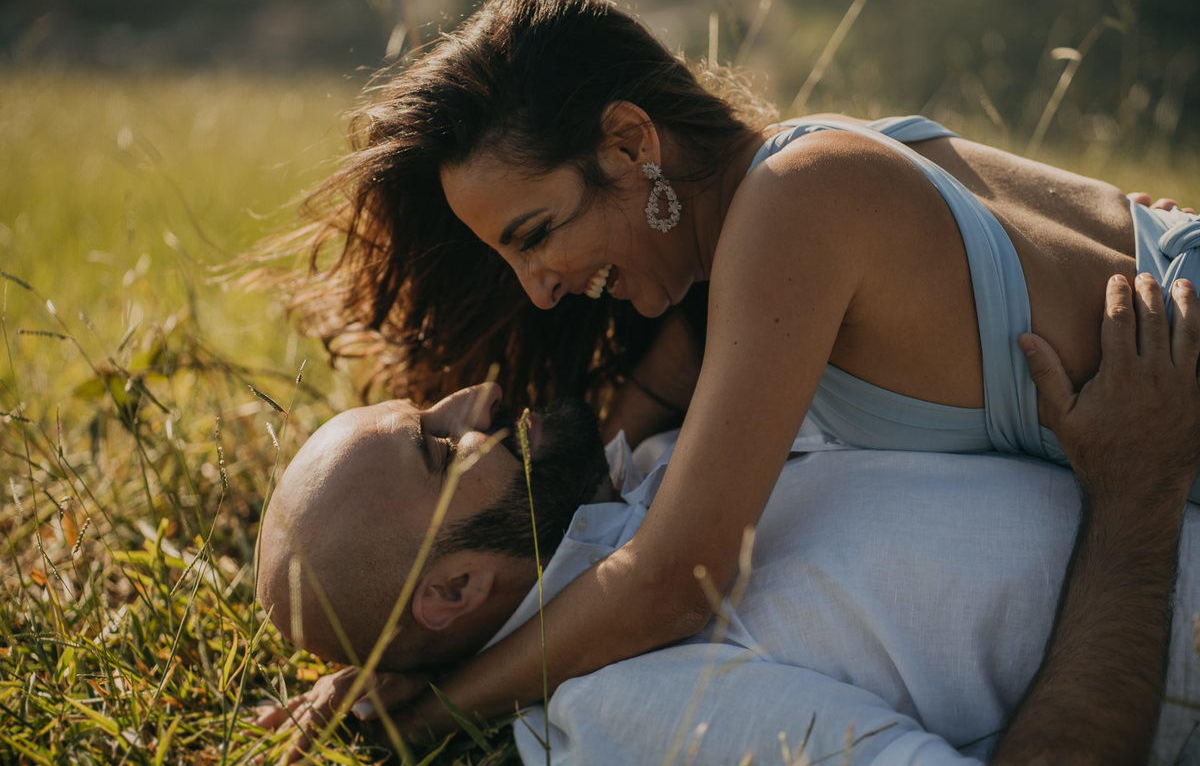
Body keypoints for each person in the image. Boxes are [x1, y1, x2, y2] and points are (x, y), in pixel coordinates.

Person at [275, 0, 1200, 744]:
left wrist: (445, 702)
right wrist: (408, 633)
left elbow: (678, 578)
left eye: (537, 235)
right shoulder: (787, 193)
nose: (539, 290)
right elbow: (636, 428)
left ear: (633, 143)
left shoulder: (793, 213)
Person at [256, 272, 1200, 764]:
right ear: (455, 587)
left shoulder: (639, 481)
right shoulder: (628, 709)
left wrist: (425, 696)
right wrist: (1138, 500)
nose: (478, 398)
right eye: (436, 446)